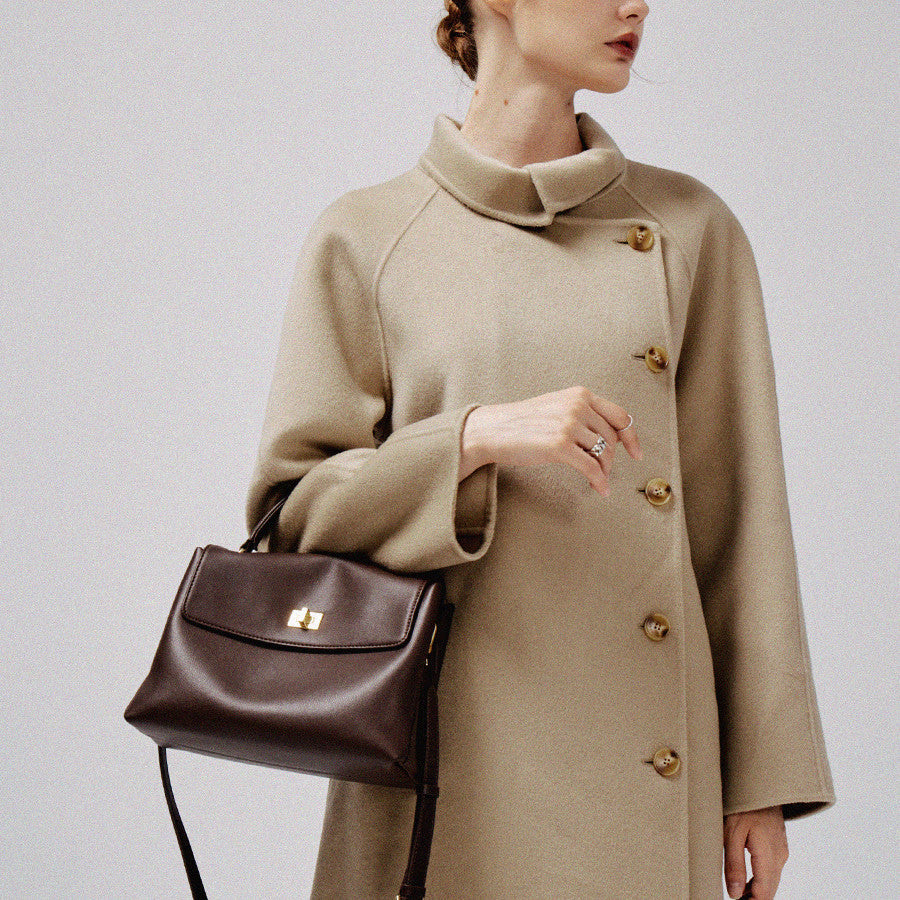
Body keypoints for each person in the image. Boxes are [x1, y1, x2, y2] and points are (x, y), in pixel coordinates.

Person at [245, 0, 836, 897]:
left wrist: (761, 782)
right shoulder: (365, 239)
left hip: (641, 766)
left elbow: (741, 522)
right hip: (439, 775)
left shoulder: (689, 229)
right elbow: (292, 522)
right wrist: (473, 439)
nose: (638, 6)